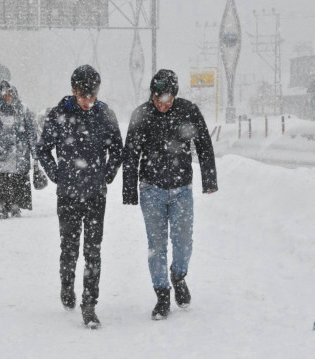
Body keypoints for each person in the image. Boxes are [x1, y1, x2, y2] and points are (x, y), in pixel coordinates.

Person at [123, 69, 218, 320]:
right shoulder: (142, 114)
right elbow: (131, 153)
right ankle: (162, 294)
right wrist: (129, 189)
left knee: (183, 242)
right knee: (157, 245)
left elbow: (204, 145)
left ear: (174, 95)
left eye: (165, 99)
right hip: (151, 189)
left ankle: (178, 275)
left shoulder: (188, 111)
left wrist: (209, 179)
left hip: (181, 190)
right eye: (156, 98)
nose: (160, 104)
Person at [36, 65, 123, 328]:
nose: (89, 101)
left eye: (93, 95)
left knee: (93, 251)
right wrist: (57, 175)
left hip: (96, 193)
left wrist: (107, 175)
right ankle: (66, 284)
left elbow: (117, 149)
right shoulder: (59, 114)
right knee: (70, 248)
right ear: (73, 91)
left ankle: (89, 303)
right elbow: (42, 150)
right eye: (84, 96)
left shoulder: (104, 114)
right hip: (69, 194)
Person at [0, 80, 37, 219]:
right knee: (1, 181)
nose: (8, 98)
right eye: (5, 95)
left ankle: (16, 206)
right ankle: (2, 207)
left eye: (10, 95)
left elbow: (31, 131)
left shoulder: (23, 110)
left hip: (19, 153)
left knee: (18, 180)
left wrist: (34, 150)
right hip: (0, 154)